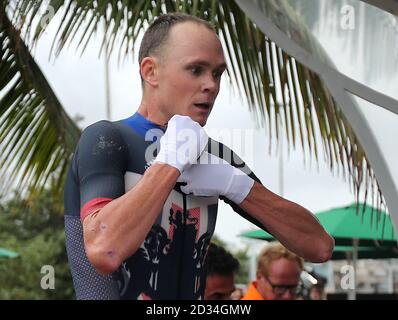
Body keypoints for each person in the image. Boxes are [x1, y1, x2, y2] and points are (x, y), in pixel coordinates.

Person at [64, 12, 334, 300]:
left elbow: (319, 246)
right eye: (196, 70)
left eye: (217, 73)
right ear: (150, 71)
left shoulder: (216, 157)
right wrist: (169, 163)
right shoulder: (107, 139)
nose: (212, 85)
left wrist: (236, 185)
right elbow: (105, 249)